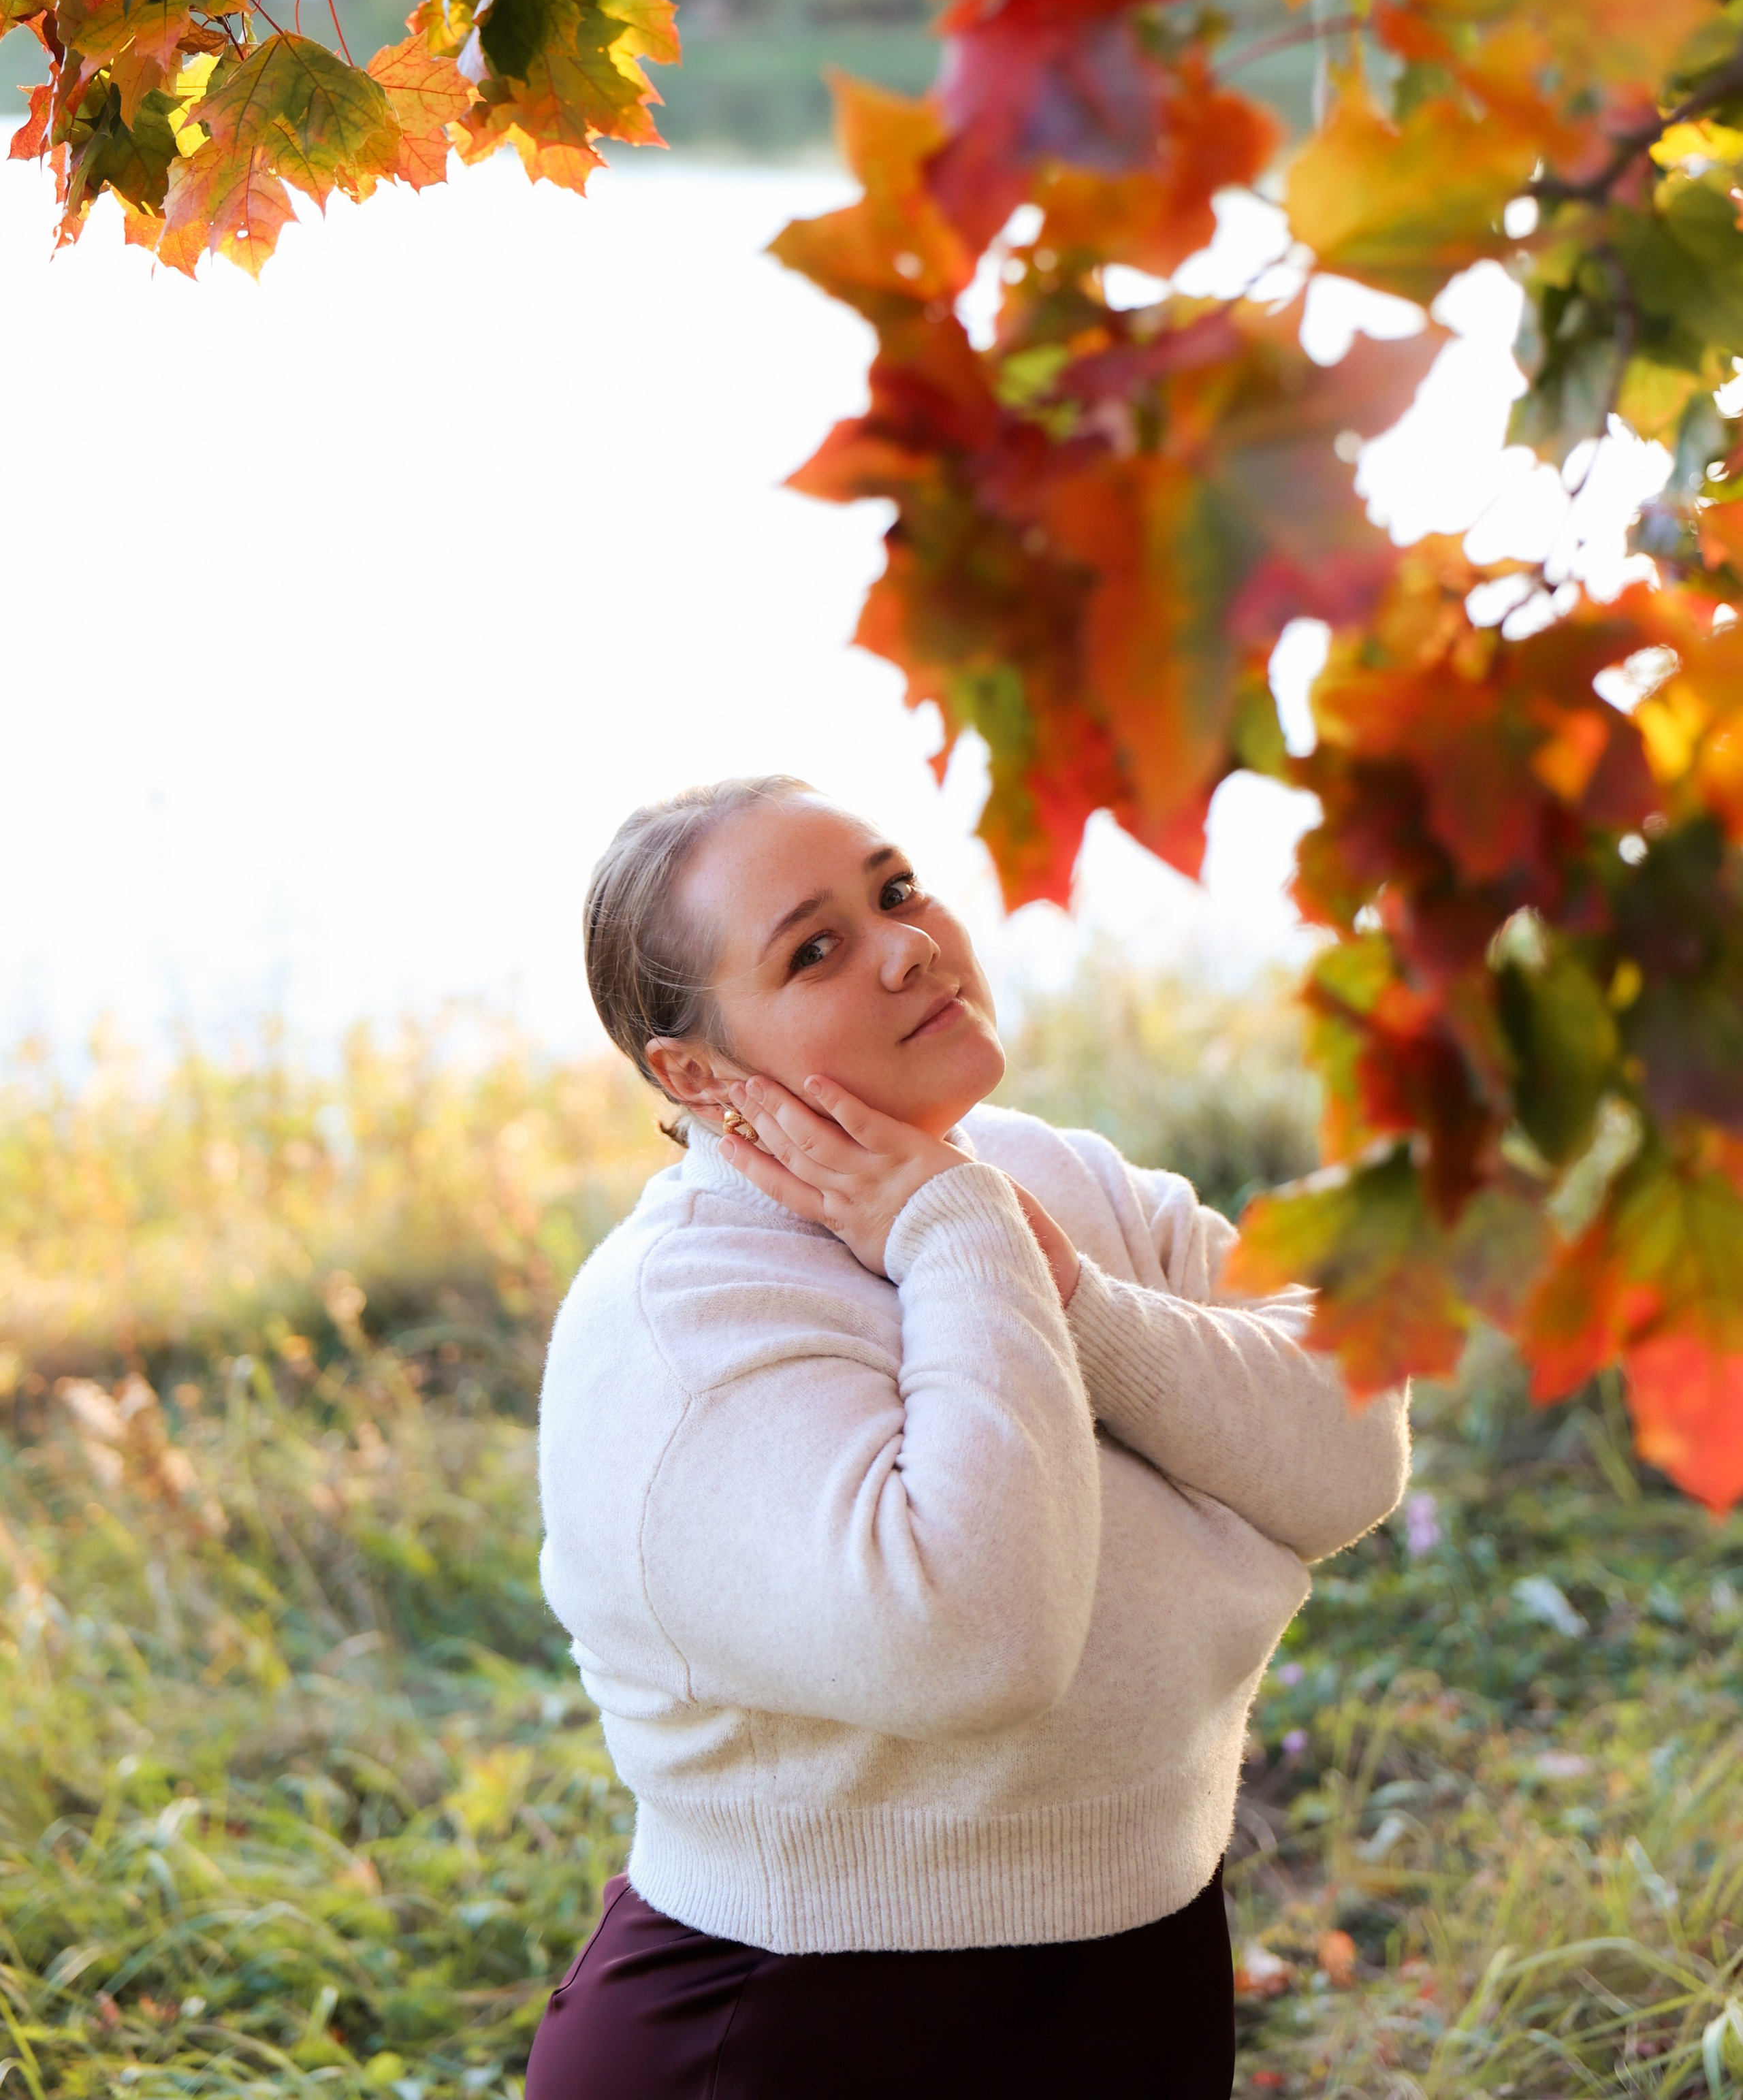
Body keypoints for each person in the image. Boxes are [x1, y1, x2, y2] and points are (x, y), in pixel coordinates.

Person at [529, 775, 1409, 2100]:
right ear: (697, 1076)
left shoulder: (1062, 1177)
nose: (906, 946)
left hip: (1148, 1982)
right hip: (794, 2034)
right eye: (813, 950)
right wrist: (955, 1236)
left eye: (896, 890)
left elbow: (1347, 1459)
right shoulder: (673, 1322)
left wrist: (1073, 1303)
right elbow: (981, 1642)